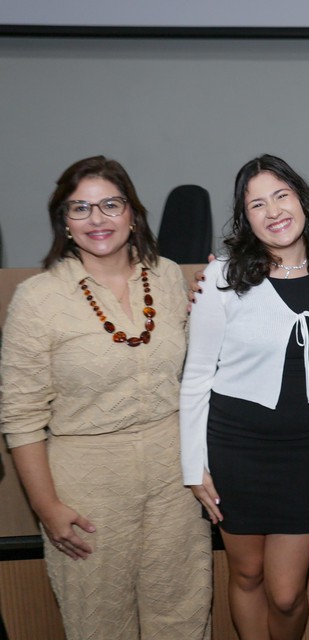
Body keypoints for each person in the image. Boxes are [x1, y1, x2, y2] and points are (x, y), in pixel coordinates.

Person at [0, 156, 211, 640]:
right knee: (100, 626)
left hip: (173, 482)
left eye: (110, 205)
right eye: (80, 209)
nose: (97, 219)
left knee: (184, 618)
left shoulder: (167, 278)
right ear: (65, 223)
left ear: (133, 214)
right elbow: (22, 416)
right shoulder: (37, 299)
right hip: (86, 489)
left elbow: (195, 376)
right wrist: (46, 507)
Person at [180, 154, 309, 639]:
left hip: (303, 451)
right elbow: (196, 375)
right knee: (246, 575)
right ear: (245, 218)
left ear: (303, 202)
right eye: (257, 204)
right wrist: (194, 466)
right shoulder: (222, 280)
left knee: (287, 593)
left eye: (281, 196)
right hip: (235, 446)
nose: (273, 211)